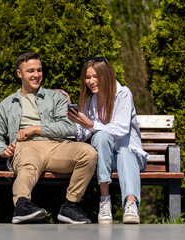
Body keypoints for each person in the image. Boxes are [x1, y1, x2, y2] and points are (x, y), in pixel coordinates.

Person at [0, 52, 97, 224]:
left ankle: (70, 205)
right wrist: (2, 148)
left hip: (57, 147)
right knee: (28, 166)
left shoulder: (56, 97)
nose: (36, 75)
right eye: (30, 71)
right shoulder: (8, 104)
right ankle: (22, 204)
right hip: (26, 147)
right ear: (19, 74)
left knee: (88, 153)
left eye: (39, 70)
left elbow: (68, 127)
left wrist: (35, 129)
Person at [63, 56, 149, 224]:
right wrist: (75, 118)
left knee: (124, 152)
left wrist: (89, 123)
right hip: (105, 159)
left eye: (96, 77)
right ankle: (105, 201)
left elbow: (121, 130)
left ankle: (131, 205)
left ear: (106, 76)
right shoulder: (89, 99)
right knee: (101, 136)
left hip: (131, 155)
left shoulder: (123, 94)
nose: (91, 81)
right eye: (87, 77)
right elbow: (81, 136)